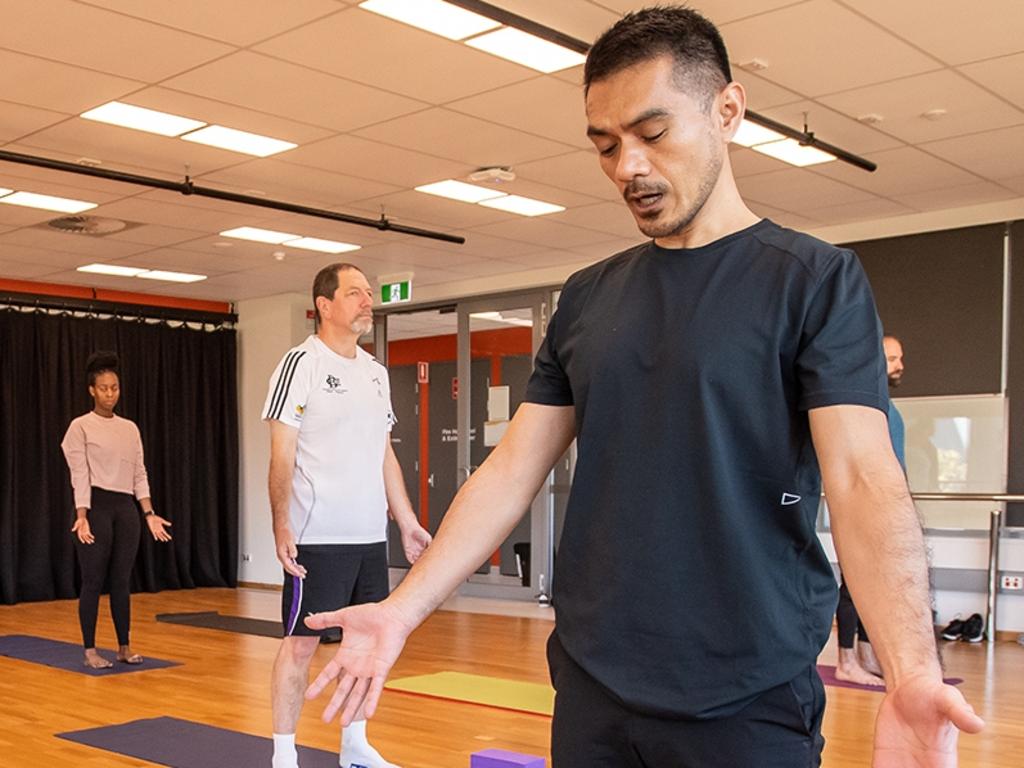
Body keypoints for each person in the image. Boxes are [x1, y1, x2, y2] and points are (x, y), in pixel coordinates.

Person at [303, 8, 984, 767]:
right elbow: (509, 472)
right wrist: (401, 612)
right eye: (605, 144)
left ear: (727, 111)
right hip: (595, 685)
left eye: (652, 134)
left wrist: (911, 672)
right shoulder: (588, 298)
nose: (626, 165)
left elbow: (863, 479)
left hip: (746, 692)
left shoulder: (815, 282)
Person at [263, 263, 431, 768]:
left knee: (365, 641)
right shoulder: (300, 364)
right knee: (299, 645)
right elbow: (281, 455)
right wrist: (280, 523)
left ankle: (355, 744)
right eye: (355, 292)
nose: (367, 301)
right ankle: (284, 754)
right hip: (316, 537)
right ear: (325, 305)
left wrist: (405, 521)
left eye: (369, 293)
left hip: (367, 538)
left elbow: (384, 454)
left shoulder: (376, 373)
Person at [60, 351, 172, 669]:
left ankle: (123, 646)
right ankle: (90, 650)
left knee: (121, 581)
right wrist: (81, 515)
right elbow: (79, 473)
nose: (110, 393)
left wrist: (148, 514)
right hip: (97, 508)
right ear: (92, 390)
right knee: (93, 581)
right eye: (104, 388)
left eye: (115, 387)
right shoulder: (80, 427)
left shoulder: (130, 428)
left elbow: (140, 473)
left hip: (125, 510)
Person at [835, 333, 906, 685]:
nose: (900, 366)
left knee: (876, 583)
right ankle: (846, 661)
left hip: (887, 508)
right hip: (864, 504)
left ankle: (865, 652)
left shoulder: (887, 409)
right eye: (893, 359)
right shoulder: (862, 408)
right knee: (853, 584)